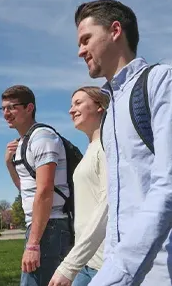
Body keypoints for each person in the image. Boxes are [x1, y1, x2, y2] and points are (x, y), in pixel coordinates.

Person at [73, 0, 172, 286]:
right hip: (130, 272)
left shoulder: (162, 81)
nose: (80, 50)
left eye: (86, 39)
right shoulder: (110, 112)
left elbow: (170, 185)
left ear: (115, 30)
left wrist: (118, 273)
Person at [2, 85, 73, 286]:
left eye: (12, 107)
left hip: (51, 225)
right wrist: (9, 163)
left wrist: (33, 245)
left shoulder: (42, 137)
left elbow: (45, 189)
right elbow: (26, 189)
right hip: (39, 225)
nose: (6, 113)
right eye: (3, 109)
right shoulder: (23, 141)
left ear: (29, 107)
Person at [48, 86, 110, 286]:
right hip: (87, 261)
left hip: (104, 264)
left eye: (78, 103)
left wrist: (70, 265)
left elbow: (107, 205)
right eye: (71, 104)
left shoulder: (107, 146)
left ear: (99, 106)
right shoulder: (91, 148)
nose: (70, 110)